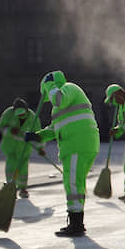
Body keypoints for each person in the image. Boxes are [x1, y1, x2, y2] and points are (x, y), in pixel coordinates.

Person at [24, 71, 100, 237]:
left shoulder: (68, 88)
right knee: (76, 184)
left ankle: (76, 224)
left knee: (72, 184)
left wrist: (50, 85)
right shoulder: (60, 104)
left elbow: (59, 98)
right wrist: (37, 135)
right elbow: (54, 128)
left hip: (77, 144)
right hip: (79, 144)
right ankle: (77, 221)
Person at [0, 98, 44, 199]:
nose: (21, 116)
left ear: (26, 110)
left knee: (23, 169)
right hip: (10, 146)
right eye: (18, 114)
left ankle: (23, 188)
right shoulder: (8, 114)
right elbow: (1, 127)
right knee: (11, 166)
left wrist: (41, 148)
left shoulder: (32, 117)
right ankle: (10, 187)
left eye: (22, 114)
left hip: (24, 147)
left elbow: (39, 134)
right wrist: (10, 130)